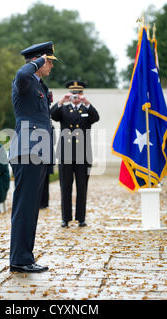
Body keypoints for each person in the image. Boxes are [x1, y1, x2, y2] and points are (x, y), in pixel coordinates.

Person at [8, 41, 57, 273]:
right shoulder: (25, 81)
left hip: (37, 152)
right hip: (26, 152)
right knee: (24, 208)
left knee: (30, 208)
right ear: (38, 61)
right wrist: (37, 62)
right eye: (49, 61)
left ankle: (25, 257)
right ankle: (20, 259)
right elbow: (21, 73)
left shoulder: (39, 86)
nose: (51, 66)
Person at [50, 80, 100, 228]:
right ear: (69, 94)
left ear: (82, 94)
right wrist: (60, 101)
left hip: (83, 155)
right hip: (66, 153)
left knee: (82, 186)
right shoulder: (64, 109)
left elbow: (96, 118)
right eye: (73, 93)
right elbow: (52, 114)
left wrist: (87, 103)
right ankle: (65, 218)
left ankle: (81, 218)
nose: (76, 96)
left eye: (78, 93)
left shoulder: (86, 109)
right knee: (65, 186)